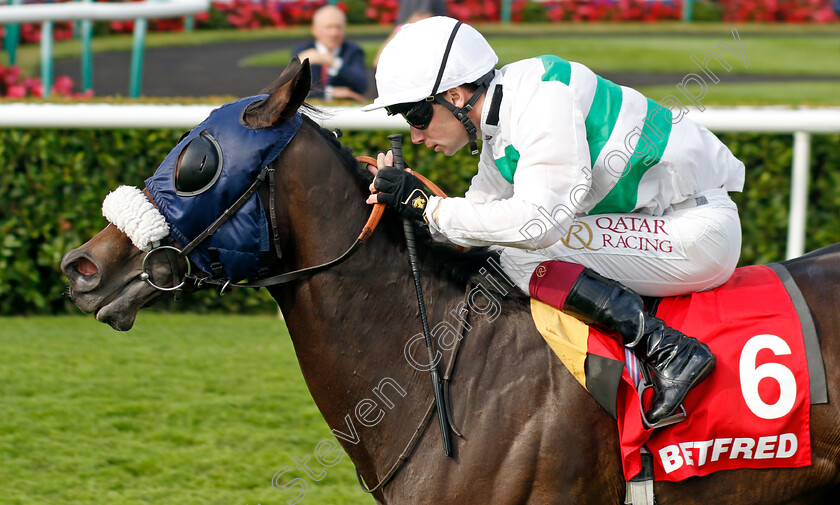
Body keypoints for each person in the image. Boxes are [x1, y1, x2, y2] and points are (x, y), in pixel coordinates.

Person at [363, 17, 745, 427]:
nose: (415, 135)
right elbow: (476, 217)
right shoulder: (502, 118)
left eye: (416, 115)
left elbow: (536, 224)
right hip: (663, 224)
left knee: (519, 248)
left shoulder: (542, 99)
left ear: (455, 95)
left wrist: (425, 205)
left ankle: (667, 349)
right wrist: (404, 204)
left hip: (697, 230)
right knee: (501, 247)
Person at [292, 5, 368, 102]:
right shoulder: (303, 51)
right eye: (329, 27)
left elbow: (362, 85)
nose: (334, 33)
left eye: (338, 27)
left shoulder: (353, 51)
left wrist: (334, 62)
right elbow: (293, 90)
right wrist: (330, 93)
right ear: (314, 29)